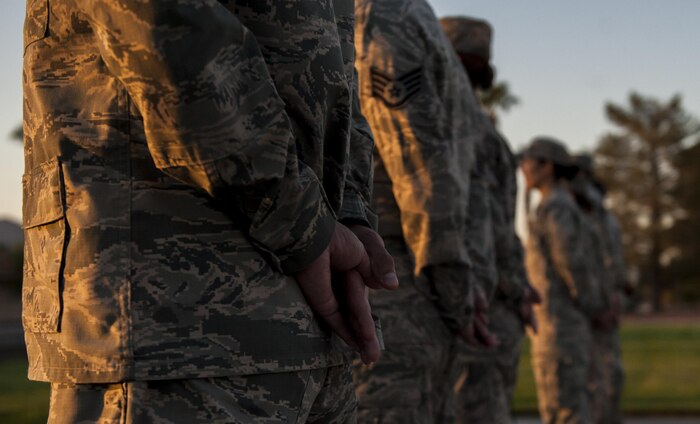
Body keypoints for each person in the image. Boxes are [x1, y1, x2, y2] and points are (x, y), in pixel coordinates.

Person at [21, 0, 397, 422]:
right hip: (169, 324)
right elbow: (165, 23)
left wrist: (349, 211)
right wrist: (304, 220)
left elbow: (337, 70)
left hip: (306, 327)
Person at [352, 0, 496, 422]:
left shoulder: (384, 17)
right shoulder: (416, 20)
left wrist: (455, 285)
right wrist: (460, 286)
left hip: (398, 286)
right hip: (417, 287)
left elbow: (422, 168)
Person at [440, 16, 541, 424]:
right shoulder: (481, 128)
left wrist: (507, 291)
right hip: (486, 297)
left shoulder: (458, 122)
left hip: (470, 299)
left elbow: (484, 224)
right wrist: (515, 289)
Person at [519, 137, 605, 424]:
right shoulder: (554, 205)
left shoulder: (556, 207)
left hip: (560, 324)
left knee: (564, 411)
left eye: (529, 161)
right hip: (558, 323)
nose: (523, 168)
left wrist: (588, 304)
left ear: (547, 167)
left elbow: (571, 264)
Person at [571, 154, 626, 424]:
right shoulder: (568, 211)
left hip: (603, 303)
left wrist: (615, 296)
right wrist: (593, 302)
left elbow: (610, 260)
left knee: (611, 376)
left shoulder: (601, 216)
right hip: (580, 309)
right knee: (583, 384)